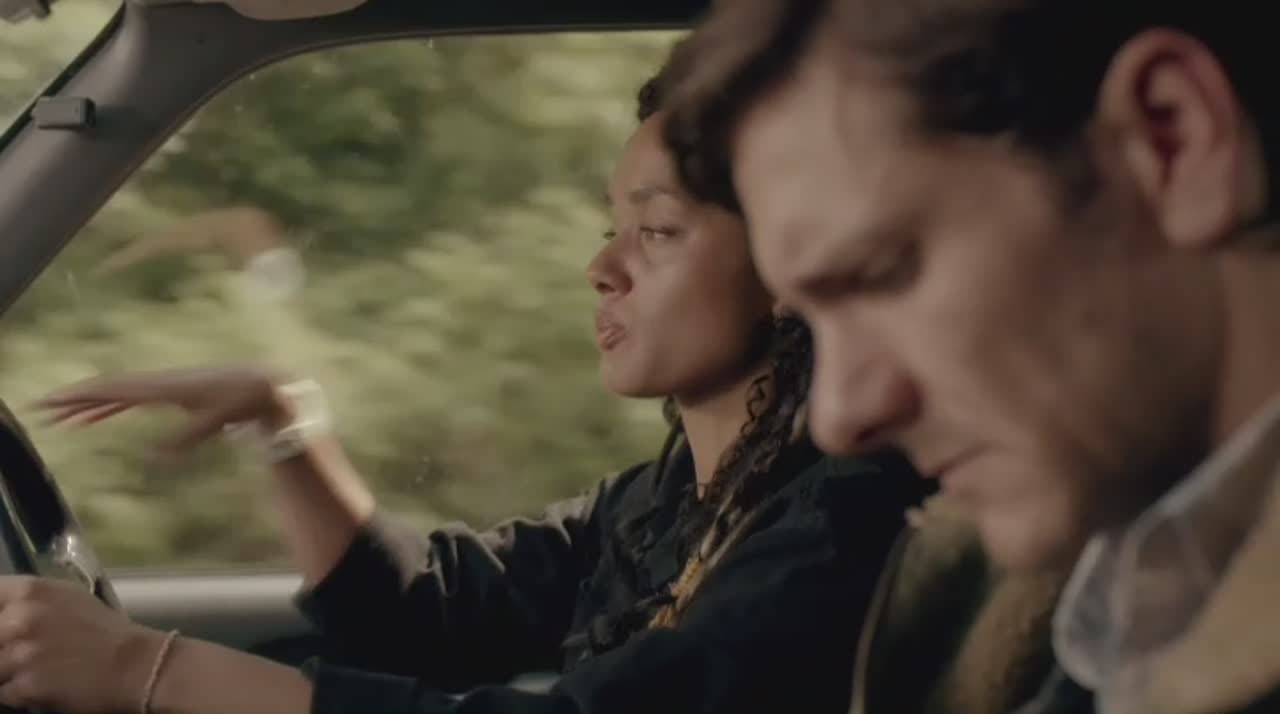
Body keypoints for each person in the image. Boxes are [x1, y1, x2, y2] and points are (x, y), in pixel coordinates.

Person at [0, 73, 925, 714]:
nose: (601, 268)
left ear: (790, 264)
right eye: (610, 228)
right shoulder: (667, 499)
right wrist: (279, 420)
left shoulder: (840, 524)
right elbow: (424, 618)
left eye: (657, 231)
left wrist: (144, 667)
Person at [659, 2, 1280, 714]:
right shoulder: (1019, 609)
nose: (838, 416)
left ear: (1172, 141)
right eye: (814, 321)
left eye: (880, 275)